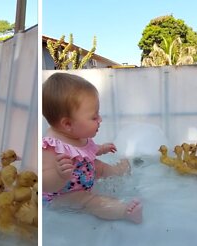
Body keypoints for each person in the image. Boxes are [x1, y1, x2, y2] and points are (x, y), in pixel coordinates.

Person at [42, 72, 142, 224]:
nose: (100, 119)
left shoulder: (77, 134)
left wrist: (102, 148)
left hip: (83, 175)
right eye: (94, 117)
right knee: (89, 200)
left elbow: (86, 150)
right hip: (63, 195)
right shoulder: (51, 146)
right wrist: (59, 175)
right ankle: (124, 211)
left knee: (98, 165)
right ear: (67, 124)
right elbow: (44, 183)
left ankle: (117, 171)